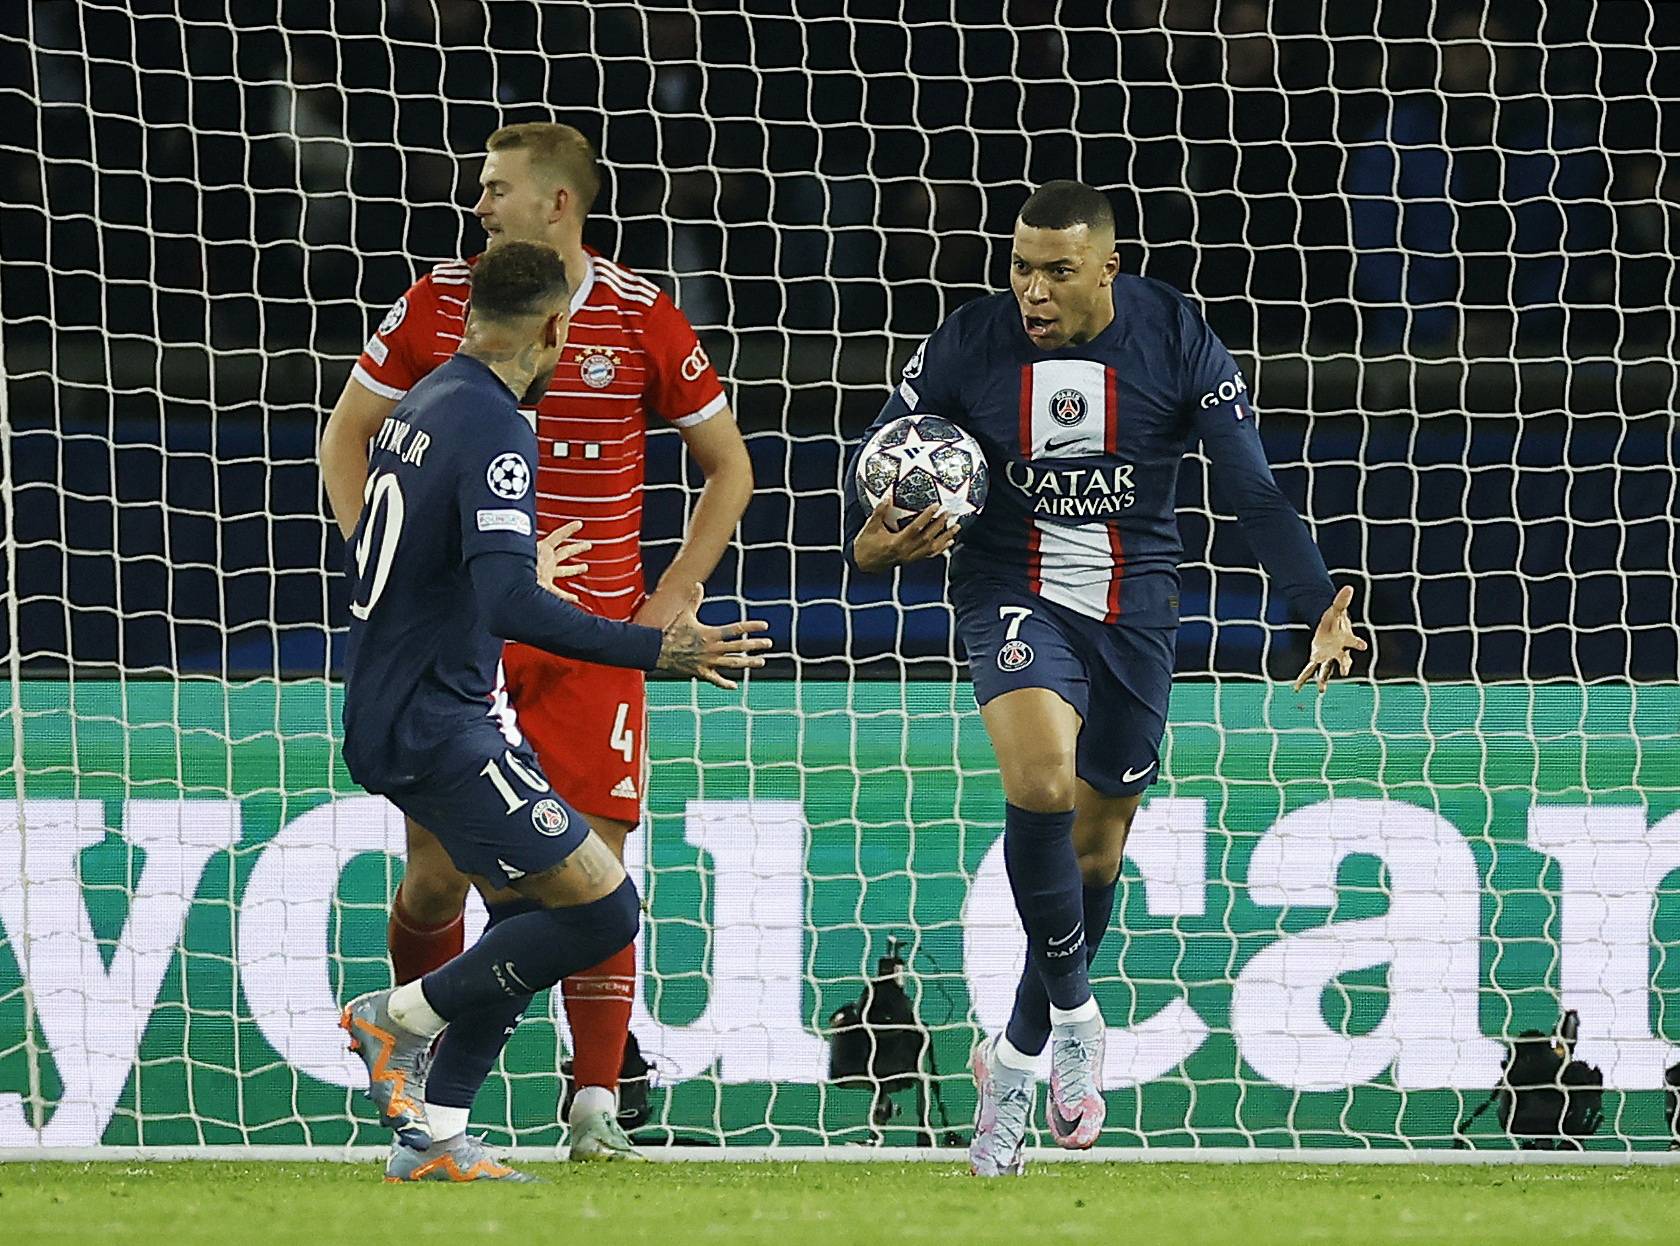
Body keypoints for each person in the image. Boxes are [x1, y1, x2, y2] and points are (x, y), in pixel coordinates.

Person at [843, 181, 1365, 1176]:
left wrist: (1313, 603)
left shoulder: (1176, 338)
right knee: (1039, 782)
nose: (1032, 290)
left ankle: (1017, 1056)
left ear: (1107, 269)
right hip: (1009, 589)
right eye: (1020, 267)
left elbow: (1248, 482)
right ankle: (1079, 1014)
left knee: (1097, 851)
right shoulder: (967, 343)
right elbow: (878, 454)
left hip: (1135, 609)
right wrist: (867, 542)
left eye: (1057, 271)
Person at [319, 122, 754, 1160]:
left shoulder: (644, 314)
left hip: (584, 636)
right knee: (456, 880)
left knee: (585, 874)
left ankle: (587, 1102)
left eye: (495, 188)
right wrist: (401, 577)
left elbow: (726, 465)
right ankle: (417, 1064)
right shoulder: (444, 311)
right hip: (483, 636)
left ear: (558, 202)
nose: (479, 205)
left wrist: (666, 601)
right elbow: (346, 435)